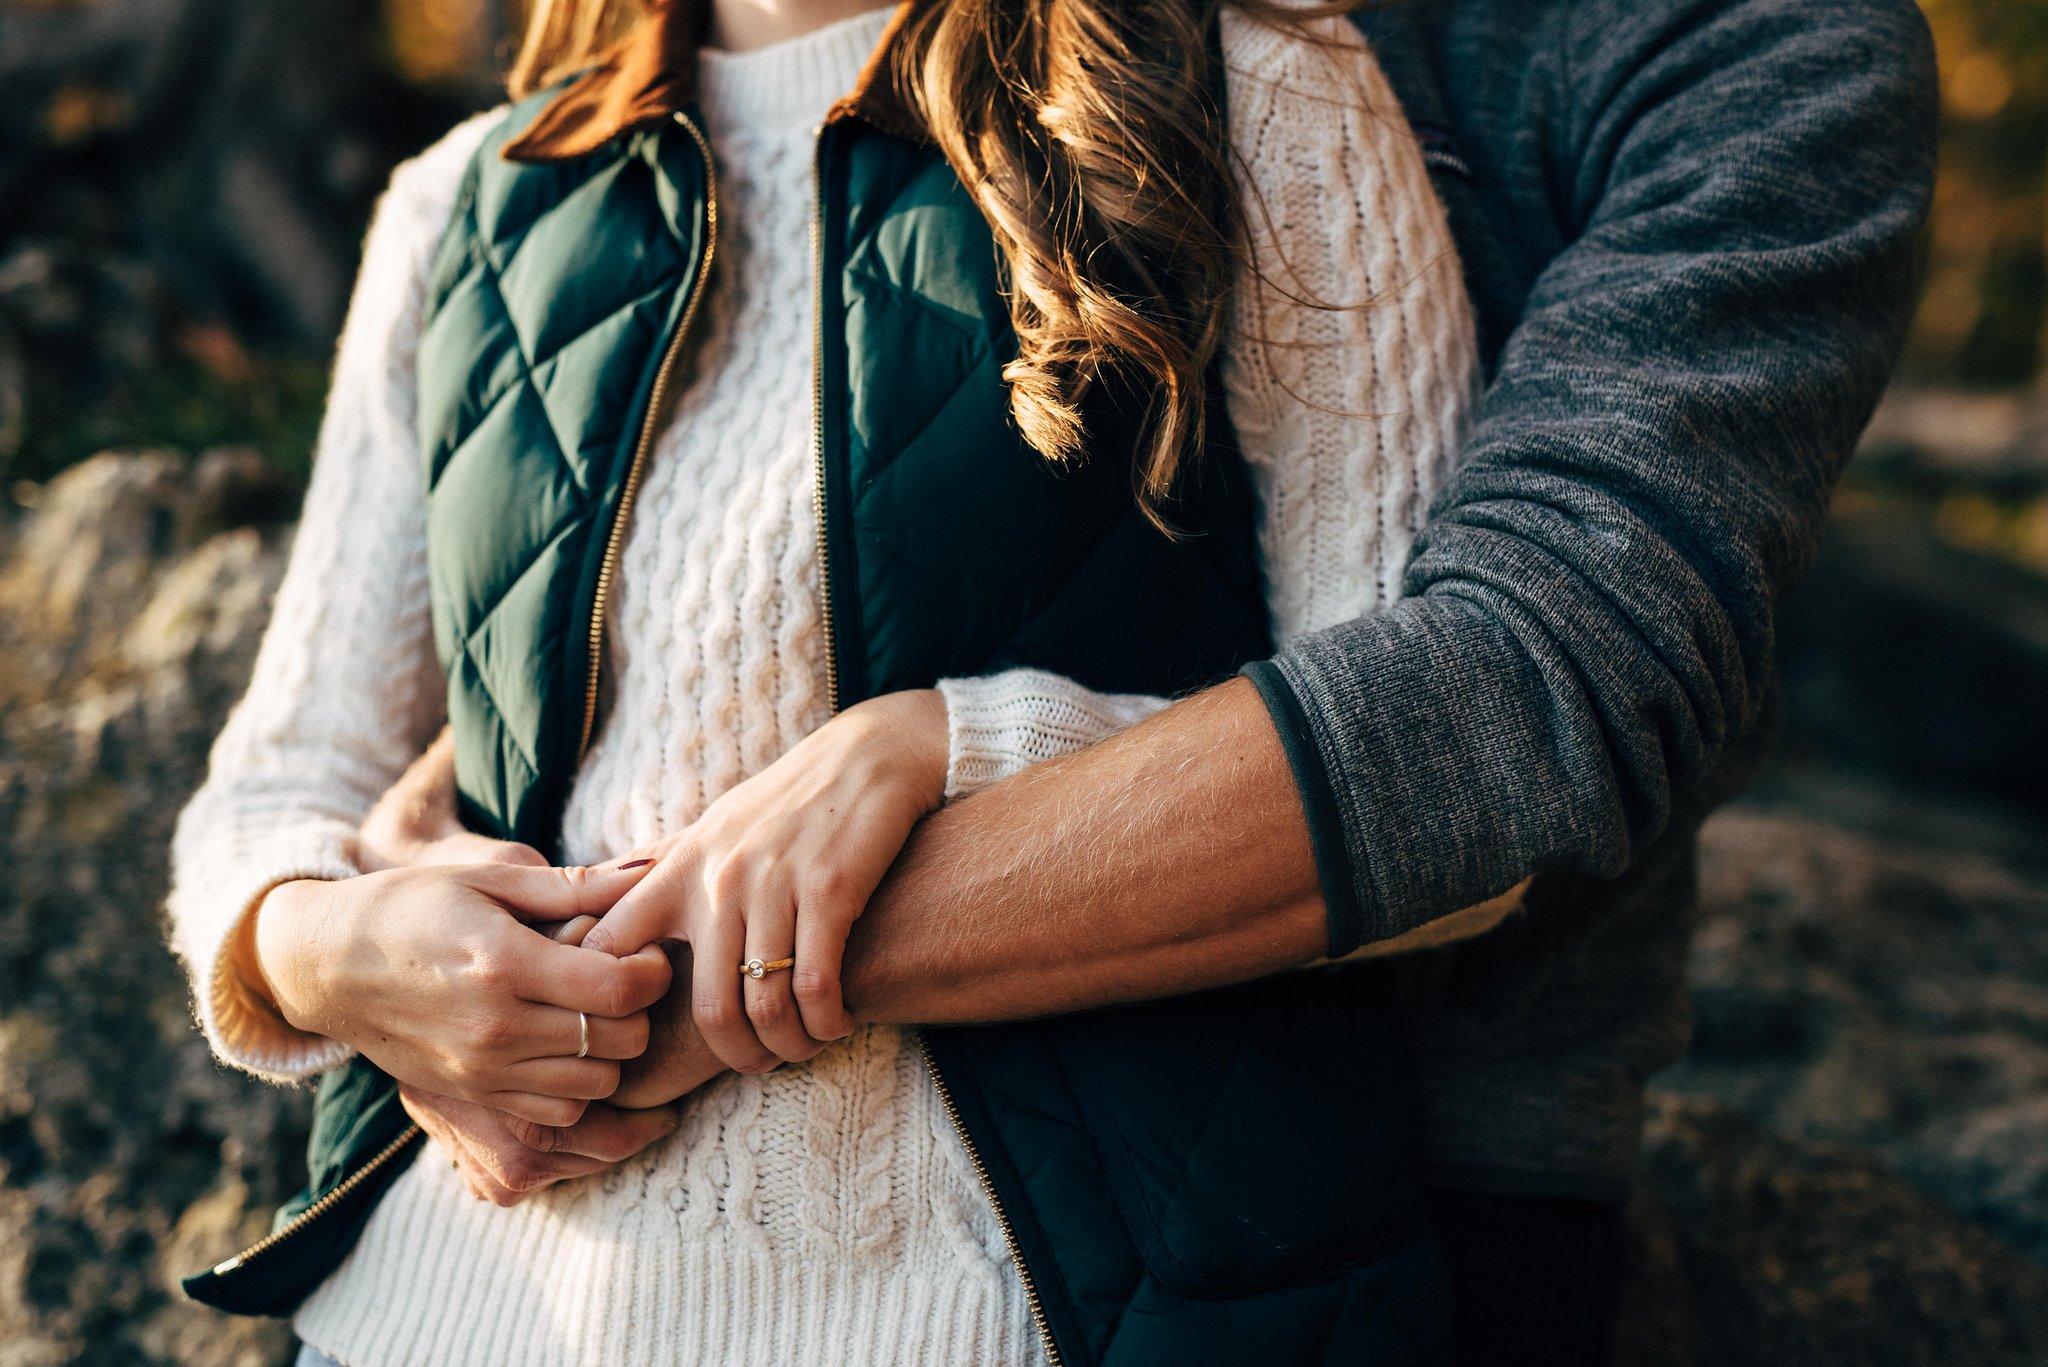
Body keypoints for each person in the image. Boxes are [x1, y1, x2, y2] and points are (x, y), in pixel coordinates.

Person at [165, 1, 1938, 1365]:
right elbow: (315, 772)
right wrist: (333, 942)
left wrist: (889, 799)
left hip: (1296, 1175)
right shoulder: (473, 200)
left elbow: (1512, 703)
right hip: (459, 1294)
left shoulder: (1325, 90)